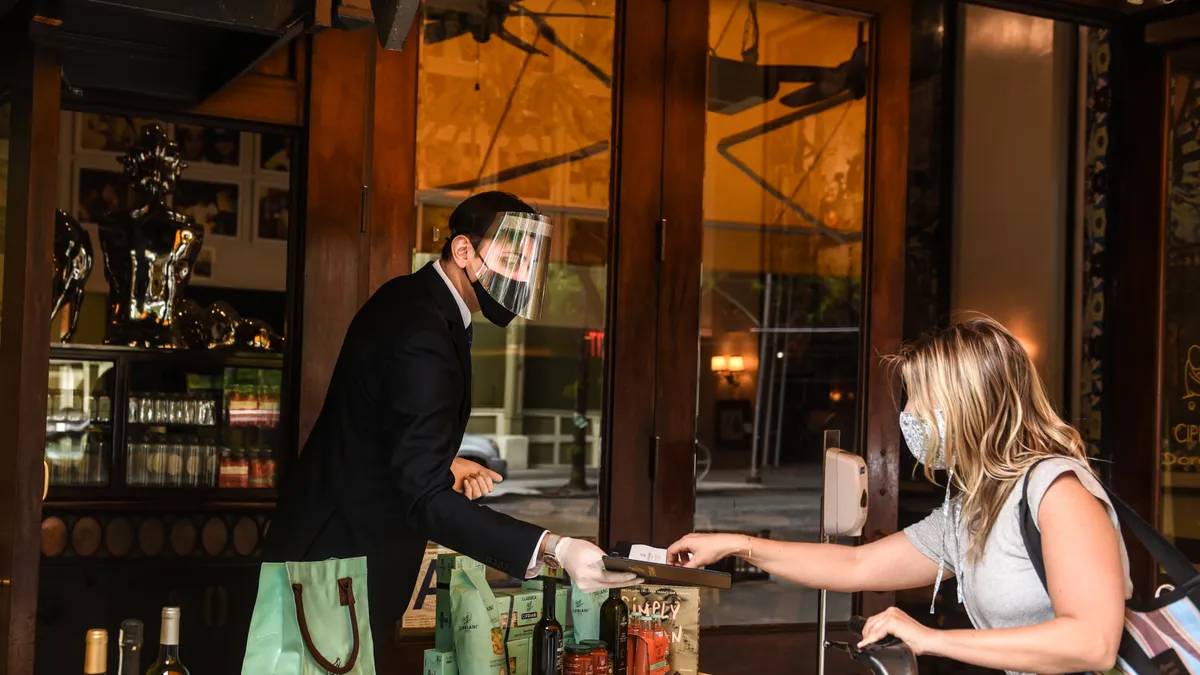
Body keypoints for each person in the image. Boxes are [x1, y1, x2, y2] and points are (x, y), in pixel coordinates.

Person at [264, 191, 636, 668]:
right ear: (463, 251)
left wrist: (443, 462)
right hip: (334, 567)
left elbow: (376, 422)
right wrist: (554, 548)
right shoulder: (422, 330)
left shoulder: (413, 300)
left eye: (528, 260)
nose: (521, 273)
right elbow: (422, 497)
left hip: (337, 558)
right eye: (511, 256)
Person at [668, 315, 1131, 675]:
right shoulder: (976, 507)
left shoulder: (1057, 491)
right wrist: (735, 544)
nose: (906, 413)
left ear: (966, 403)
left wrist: (928, 639)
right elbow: (857, 565)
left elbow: (1093, 641)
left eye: (918, 397)